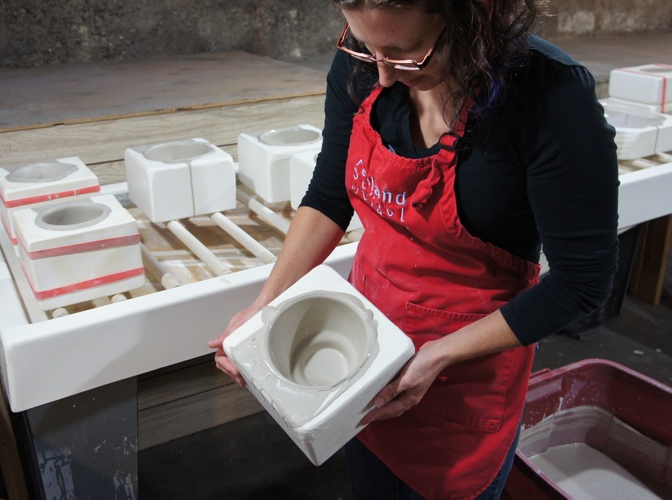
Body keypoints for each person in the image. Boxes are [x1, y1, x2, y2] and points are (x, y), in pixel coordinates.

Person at [209, 0, 619, 498]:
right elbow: (328, 197)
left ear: (474, 19)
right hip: (364, 351)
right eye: (364, 47)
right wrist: (263, 305)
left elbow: (583, 281)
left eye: (407, 55)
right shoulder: (365, 68)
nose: (381, 76)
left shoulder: (547, 95)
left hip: (463, 377)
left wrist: (438, 357)